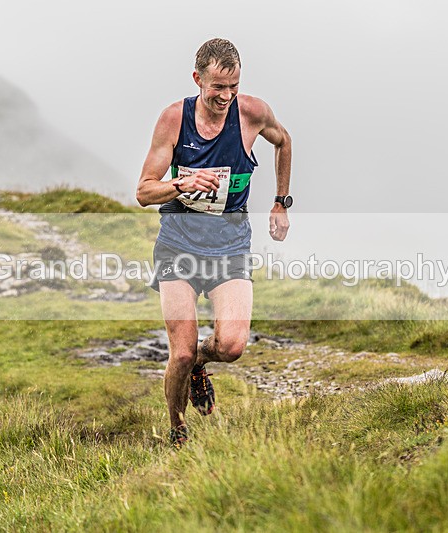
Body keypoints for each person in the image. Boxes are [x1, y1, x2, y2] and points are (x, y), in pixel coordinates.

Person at [136, 38, 292, 449]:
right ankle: (176, 429)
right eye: (217, 88)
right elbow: (143, 192)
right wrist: (181, 183)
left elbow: (284, 141)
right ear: (197, 79)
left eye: (233, 86)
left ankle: (202, 365)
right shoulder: (174, 119)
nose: (226, 96)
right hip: (178, 246)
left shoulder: (252, 113)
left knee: (232, 346)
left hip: (230, 246)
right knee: (180, 354)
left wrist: (280, 202)